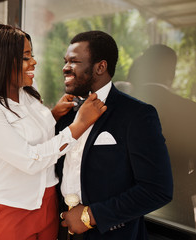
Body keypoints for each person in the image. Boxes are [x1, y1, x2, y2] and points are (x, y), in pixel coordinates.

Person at [0, 24, 107, 240]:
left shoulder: (27, 93)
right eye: (25, 57)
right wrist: (79, 126)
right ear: (1, 60)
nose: (33, 62)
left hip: (47, 201)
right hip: (9, 210)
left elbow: (25, 132)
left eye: (32, 55)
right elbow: (29, 159)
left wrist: (53, 115)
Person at [56, 31, 173, 240]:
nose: (65, 67)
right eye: (66, 61)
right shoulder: (63, 114)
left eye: (74, 61)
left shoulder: (137, 115)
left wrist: (90, 216)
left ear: (101, 67)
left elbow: (157, 189)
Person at [128, 44, 196, 229]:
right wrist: (178, 190)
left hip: (128, 213)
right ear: (172, 74)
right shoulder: (191, 110)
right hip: (178, 217)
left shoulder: (119, 107)